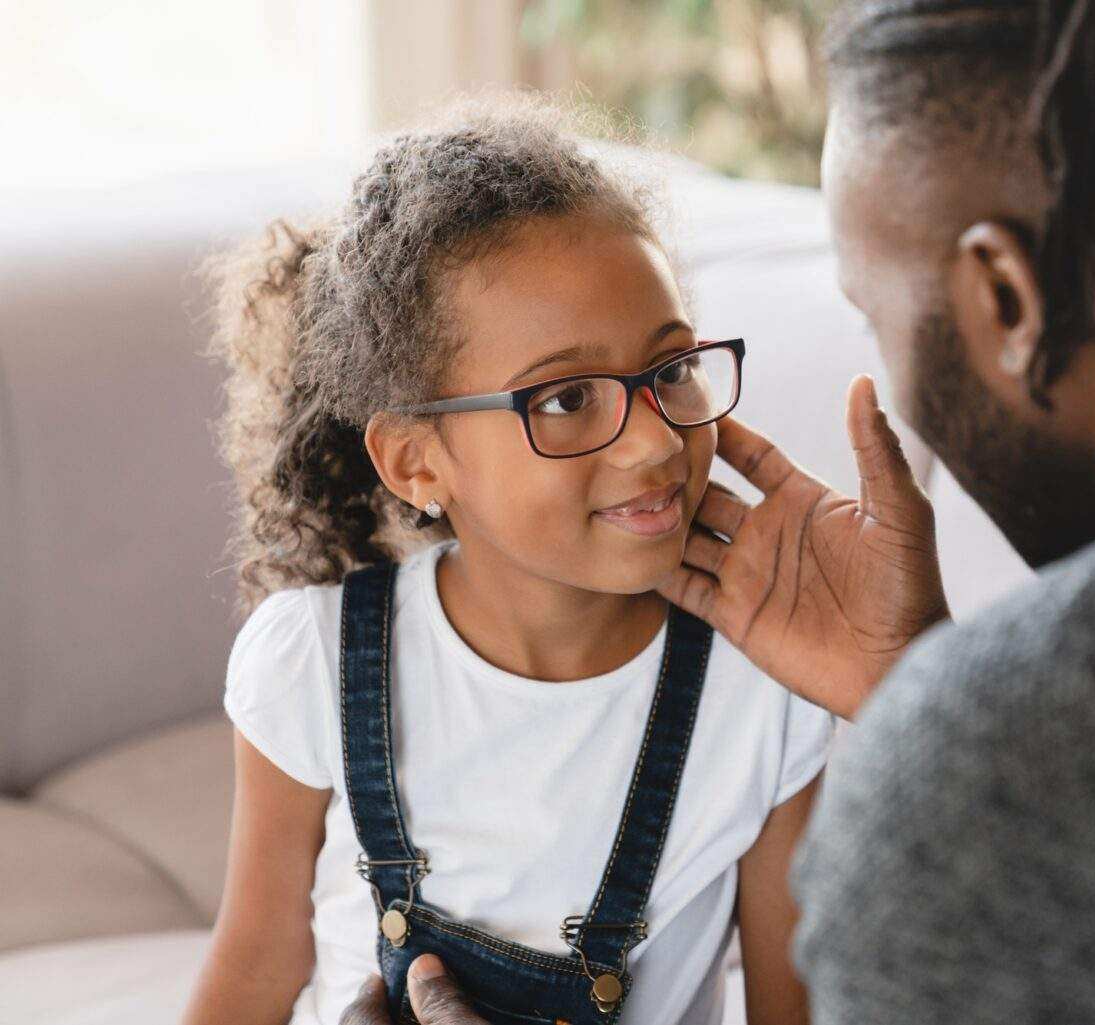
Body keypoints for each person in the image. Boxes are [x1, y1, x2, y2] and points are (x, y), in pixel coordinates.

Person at [342, 1, 1095, 1023]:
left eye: (876, 310)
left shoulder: (994, 785)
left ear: (1003, 296)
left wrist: (964, 725)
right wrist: (929, 677)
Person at [182, 95, 832, 1025]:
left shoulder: (765, 686)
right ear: (417, 461)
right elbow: (251, 971)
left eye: (670, 370)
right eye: (567, 398)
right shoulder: (315, 661)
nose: (652, 442)